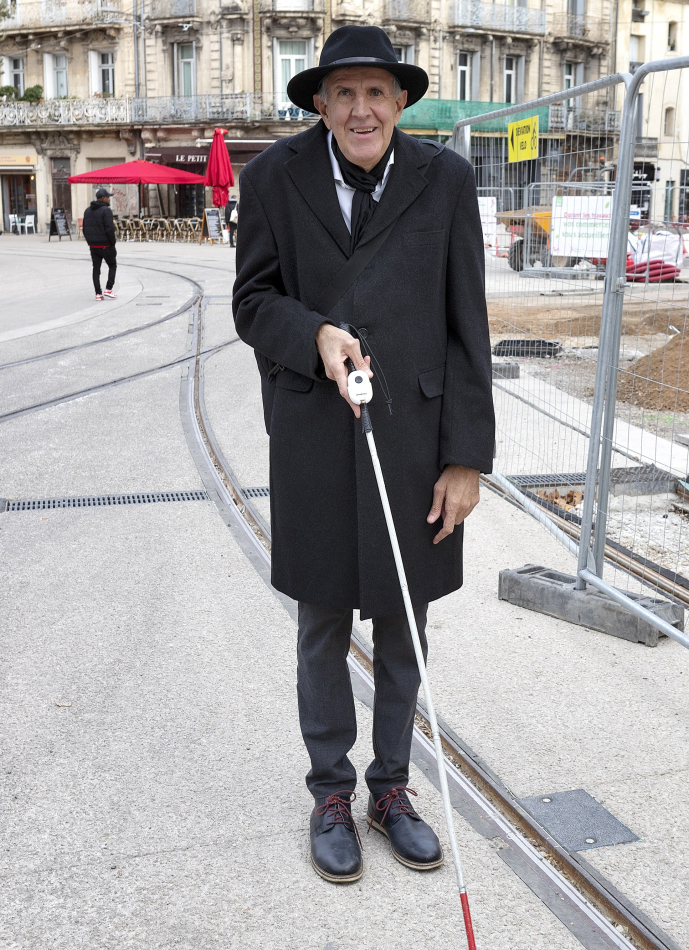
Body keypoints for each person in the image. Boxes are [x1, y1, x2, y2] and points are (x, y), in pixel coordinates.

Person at [233, 25, 494, 885]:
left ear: (400, 100)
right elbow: (251, 302)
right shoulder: (271, 178)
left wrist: (466, 458)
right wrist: (312, 333)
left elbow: (466, 324)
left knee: (403, 622)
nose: (359, 109)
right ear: (318, 102)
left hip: (415, 439)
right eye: (342, 93)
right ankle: (330, 794)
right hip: (312, 434)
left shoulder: (445, 180)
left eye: (374, 92)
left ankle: (391, 790)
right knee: (319, 621)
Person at [83, 187, 117, 300]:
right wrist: (112, 243)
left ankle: (98, 293)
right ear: (103, 198)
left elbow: (84, 229)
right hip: (106, 245)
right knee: (112, 265)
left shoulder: (87, 211)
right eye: (107, 197)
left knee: (96, 269)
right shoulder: (106, 210)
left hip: (93, 246)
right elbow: (110, 229)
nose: (109, 199)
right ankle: (108, 289)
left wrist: (90, 242)